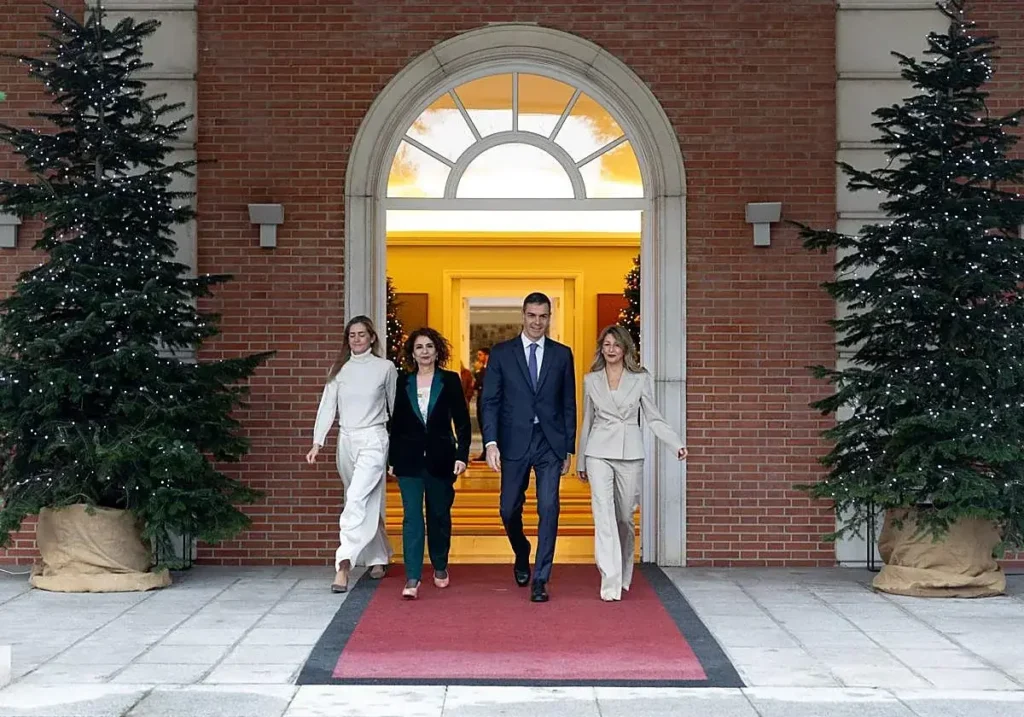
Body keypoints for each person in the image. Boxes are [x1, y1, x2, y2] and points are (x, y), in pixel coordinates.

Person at [577, 325, 687, 602]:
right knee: (603, 516)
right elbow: (587, 420)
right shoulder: (591, 380)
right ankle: (609, 580)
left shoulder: (640, 379)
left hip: (629, 452)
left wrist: (675, 442)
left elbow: (653, 416)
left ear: (625, 348)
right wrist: (581, 459)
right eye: (606, 344)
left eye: (616, 345)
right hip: (598, 451)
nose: (610, 349)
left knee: (624, 518)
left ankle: (624, 568)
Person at [480, 292, 576, 602]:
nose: (537, 321)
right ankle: (522, 551)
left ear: (550, 317)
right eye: (532, 315)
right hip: (513, 441)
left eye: (543, 316)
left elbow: (568, 404)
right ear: (523, 315)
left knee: (549, 507)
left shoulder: (562, 355)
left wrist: (568, 448)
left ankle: (540, 578)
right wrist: (491, 442)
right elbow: (490, 401)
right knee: (508, 508)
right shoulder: (502, 353)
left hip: (549, 442)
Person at [307, 315, 397, 593]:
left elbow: (396, 409)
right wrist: (317, 442)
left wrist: (397, 452)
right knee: (361, 499)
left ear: (372, 337)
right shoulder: (340, 369)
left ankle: (343, 564)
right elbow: (327, 406)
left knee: (356, 499)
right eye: (352, 335)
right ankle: (378, 556)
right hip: (346, 441)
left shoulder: (385, 368)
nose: (357, 339)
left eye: (361, 334)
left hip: (374, 438)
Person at [388, 327, 471, 599]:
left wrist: (462, 455)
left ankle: (440, 564)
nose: (424, 352)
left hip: (441, 458)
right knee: (412, 517)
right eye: (419, 347)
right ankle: (412, 577)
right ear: (412, 353)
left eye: (429, 347)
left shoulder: (449, 380)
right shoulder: (403, 382)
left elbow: (461, 421)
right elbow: (396, 423)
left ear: (437, 351)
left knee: (438, 515)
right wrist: (392, 459)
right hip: (408, 460)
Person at [473, 348, 490, 460]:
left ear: (486, 356)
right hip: (481, 402)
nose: (478, 357)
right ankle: (485, 451)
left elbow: (484, 383)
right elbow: (476, 386)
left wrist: (478, 372)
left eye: (480, 355)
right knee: (483, 427)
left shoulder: (491, 368)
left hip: (490, 403)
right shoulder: (481, 370)